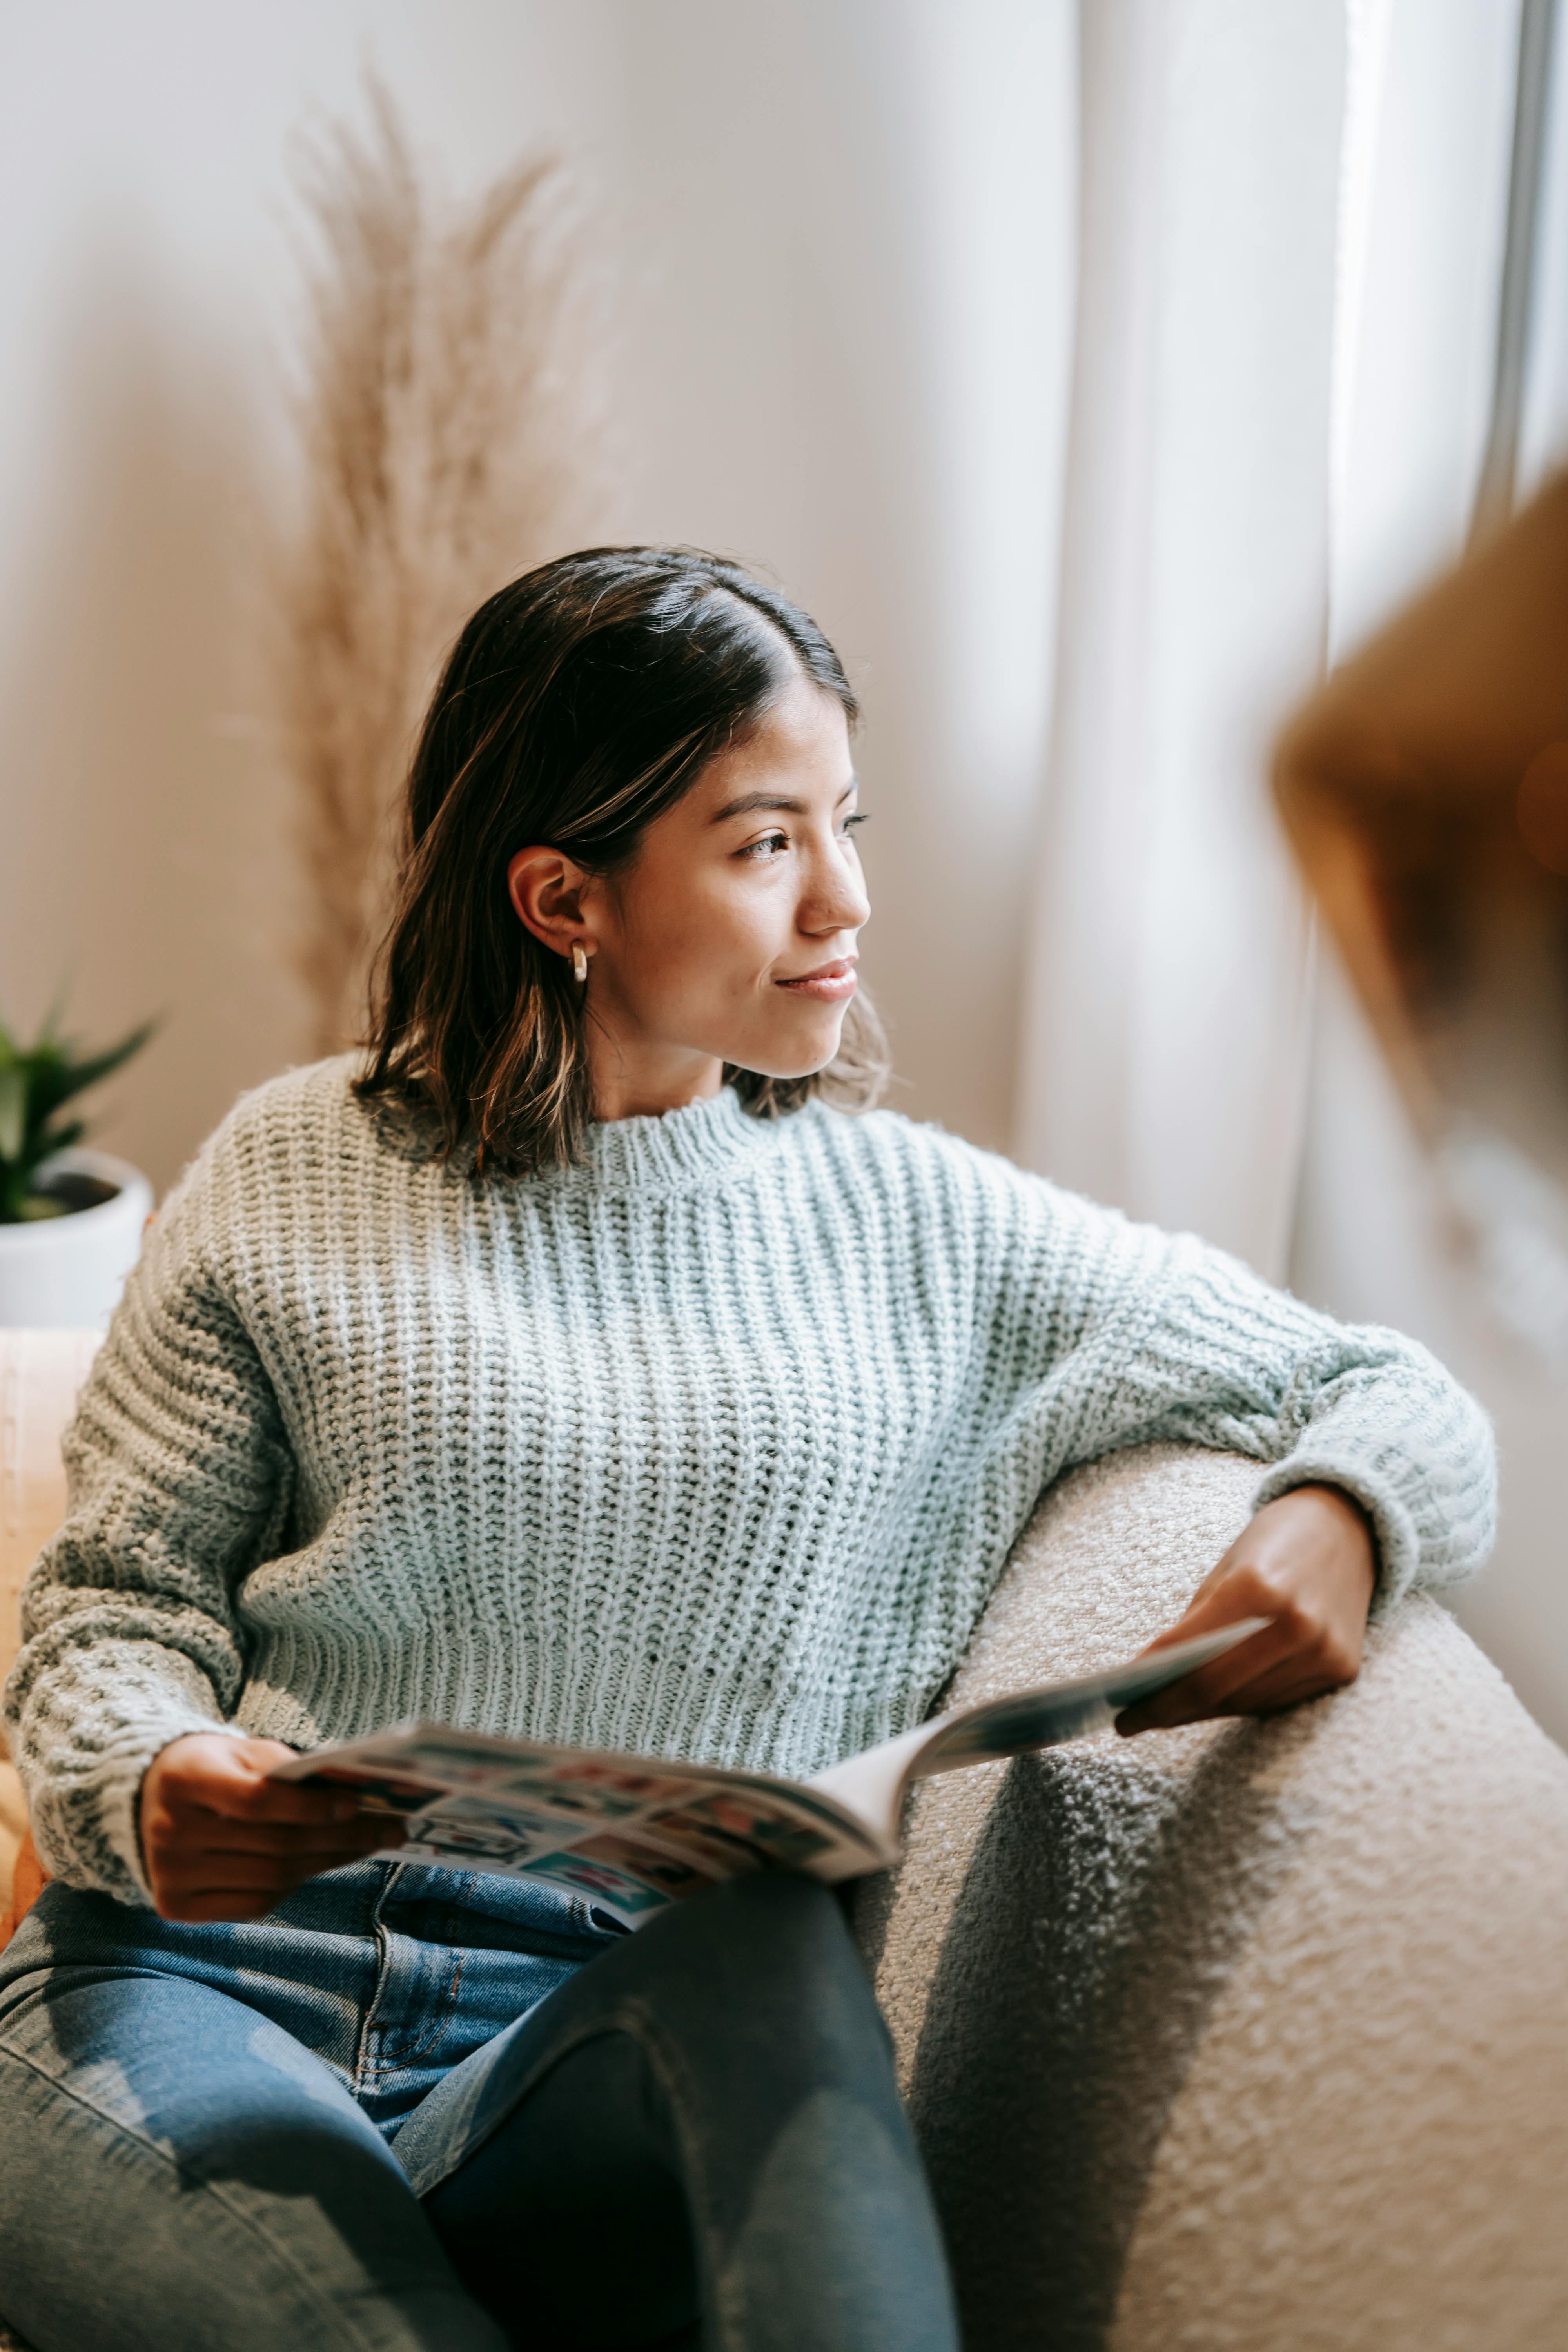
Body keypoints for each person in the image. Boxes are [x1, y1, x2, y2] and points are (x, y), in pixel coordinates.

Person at [0, 550, 1494, 2352]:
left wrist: (1340, 1511)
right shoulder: (289, 1165)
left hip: (601, 2053)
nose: (845, 900)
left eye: (842, 822)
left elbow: (1383, 1381)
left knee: (769, 1945)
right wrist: (154, 1780)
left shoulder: (930, 1232)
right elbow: (113, 1607)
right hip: (194, 2006)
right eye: (764, 841)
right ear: (564, 895)